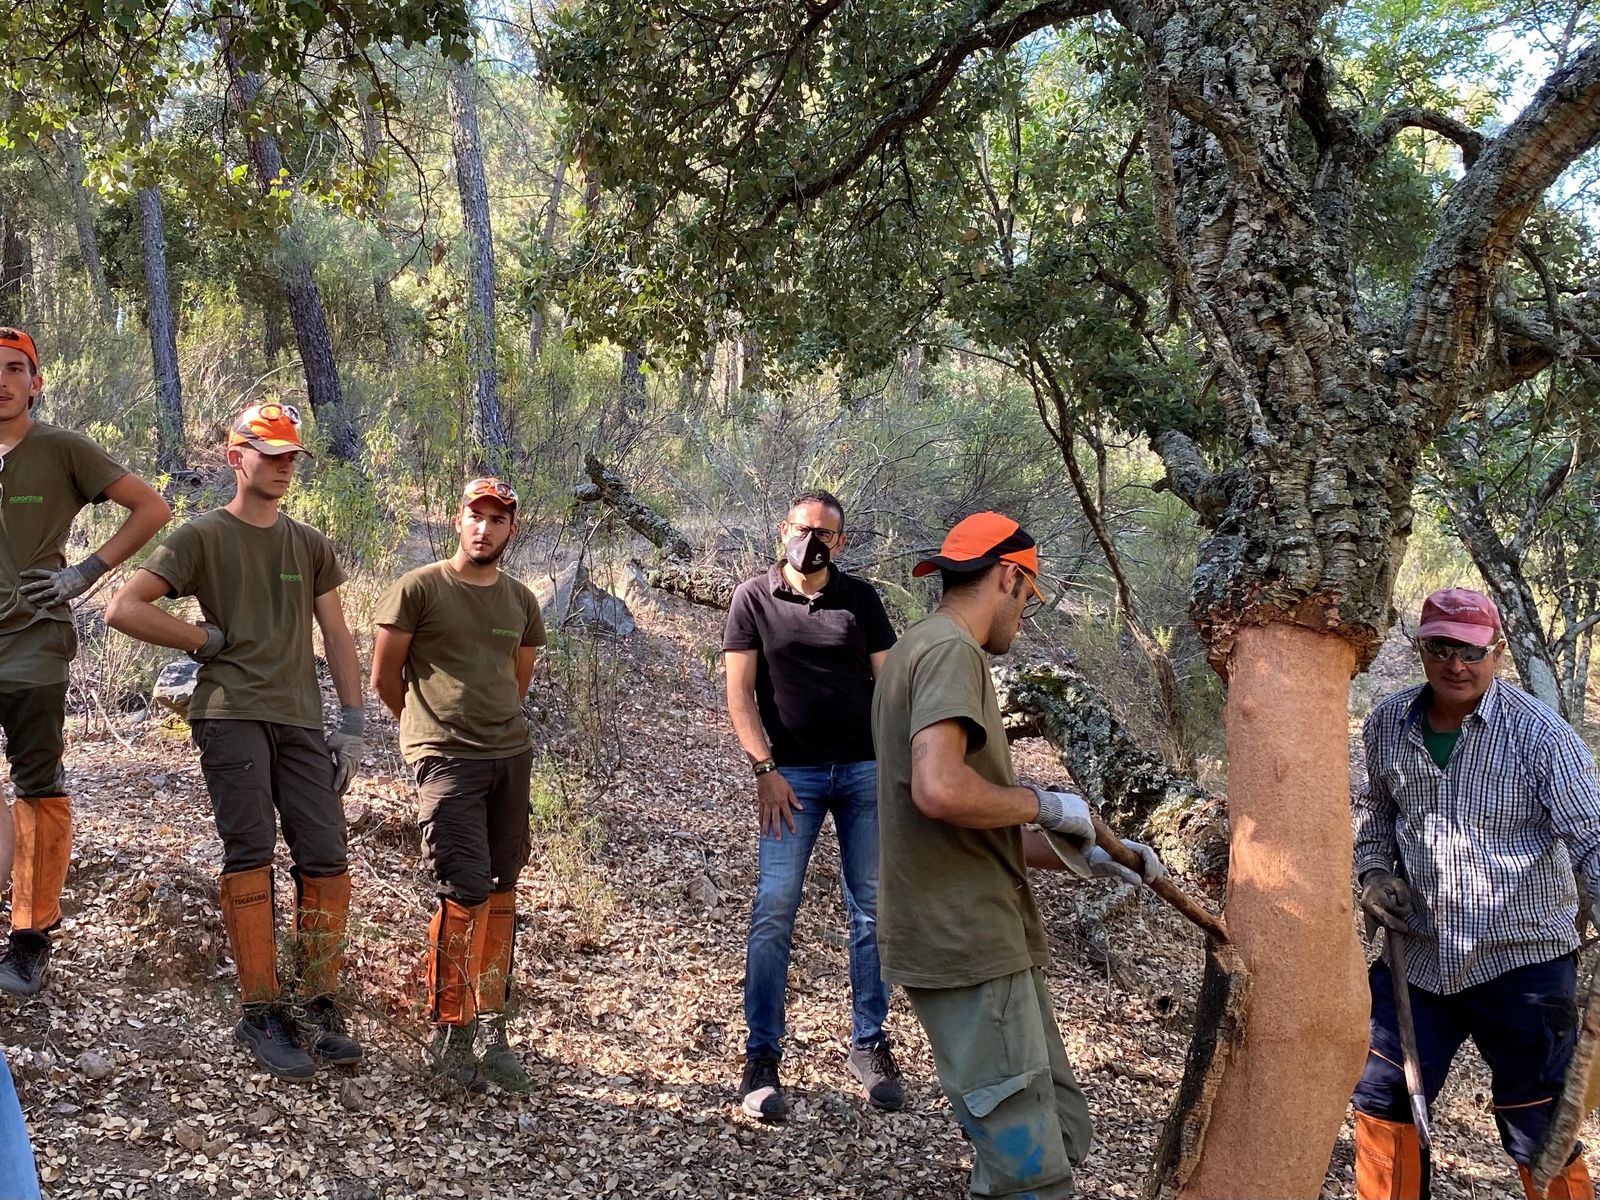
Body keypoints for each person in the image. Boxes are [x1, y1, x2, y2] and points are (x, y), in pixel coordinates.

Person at [871, 511, 1166, 1200]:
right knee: (1028, 1176)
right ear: (1009, 575)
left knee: (1056, 1130)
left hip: (977, 932)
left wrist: (1089, 853)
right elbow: (941, 789)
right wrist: (1046, 802)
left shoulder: (915, 648)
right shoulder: (952, 652)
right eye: (1029, 598)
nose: (1025, 616)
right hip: (965, 937)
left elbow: (968, 819)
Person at [105, 402, 365, 1080]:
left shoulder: (308, 542)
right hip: (230, 713)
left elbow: (337, 636)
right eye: (268, 452)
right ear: (235, 456)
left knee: (326, 854)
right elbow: (123, 607)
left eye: (290, 456)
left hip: (303, 719)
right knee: (250, 848)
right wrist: (198, 639)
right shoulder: (202, 536)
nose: (281, 466)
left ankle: (317, 1002)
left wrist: (356, 724)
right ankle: (259, 1011)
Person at [1352, 587, 1600, 1200]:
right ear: (1421, 648)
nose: (1455, 665)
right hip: (1418, 960)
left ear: (1498, 651)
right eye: (1440, 647)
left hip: (1525, 966)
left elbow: (1592, 836)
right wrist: (1374, 873)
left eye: (1470, 650)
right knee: (1382, 1101)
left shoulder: (1541, 736)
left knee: (1538, 1123)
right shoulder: (1388, 721)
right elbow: (1376, 814)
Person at [0, 326, 170, 995]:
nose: (4, 381)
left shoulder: (61, 449)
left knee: (37, 784)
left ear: (36, 382)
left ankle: (30, 937)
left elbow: (151, 507)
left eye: (17, 369)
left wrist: (88, 573)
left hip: (33, 639)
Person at [723, 488, 903, 1120]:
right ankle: (762, 1058)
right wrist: (764, 769)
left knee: (872, 910)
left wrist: (896, 766)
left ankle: (870, 1045)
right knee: (775, 907)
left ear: (841, 542)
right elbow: (740, 695)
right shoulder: (753, 598)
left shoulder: (861, 600)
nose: (812, 542)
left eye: (825, 533)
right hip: (790, 778)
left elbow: (892, 685)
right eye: (804, 529)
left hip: (863, 774)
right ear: (783, 530)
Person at [371, 477, 545, 1092]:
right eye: (476, 516)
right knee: (464, 886)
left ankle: (492, 1027)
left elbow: (515, 681)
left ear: (510, 530)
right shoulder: (419, 589)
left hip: (509, 756)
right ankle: (451, 1029)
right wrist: (427, 732)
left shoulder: (522, 602)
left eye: (498, 520)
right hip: (445, 759)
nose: (485, 528)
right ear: (458, 519)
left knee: (502, 888)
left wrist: (494, 732)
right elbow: (385, 679)